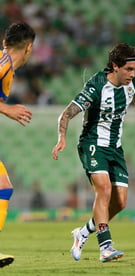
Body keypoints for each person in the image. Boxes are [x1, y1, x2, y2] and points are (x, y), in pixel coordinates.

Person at [51, 43, 135, 263]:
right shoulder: (96, 87)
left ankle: (83, 232)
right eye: (129, 70)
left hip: (115, 148)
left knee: (120, 202)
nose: (133, 75)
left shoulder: (133, 84)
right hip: (92, 144)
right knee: (103, 189)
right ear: (115, 66)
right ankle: (105, 247)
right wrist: (61, 139)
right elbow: (65, 115)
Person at [0, 22, 35, 268]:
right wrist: (6, 109)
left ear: (5, 42)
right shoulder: (4, 64)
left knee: (3, 187)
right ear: (29, 48)